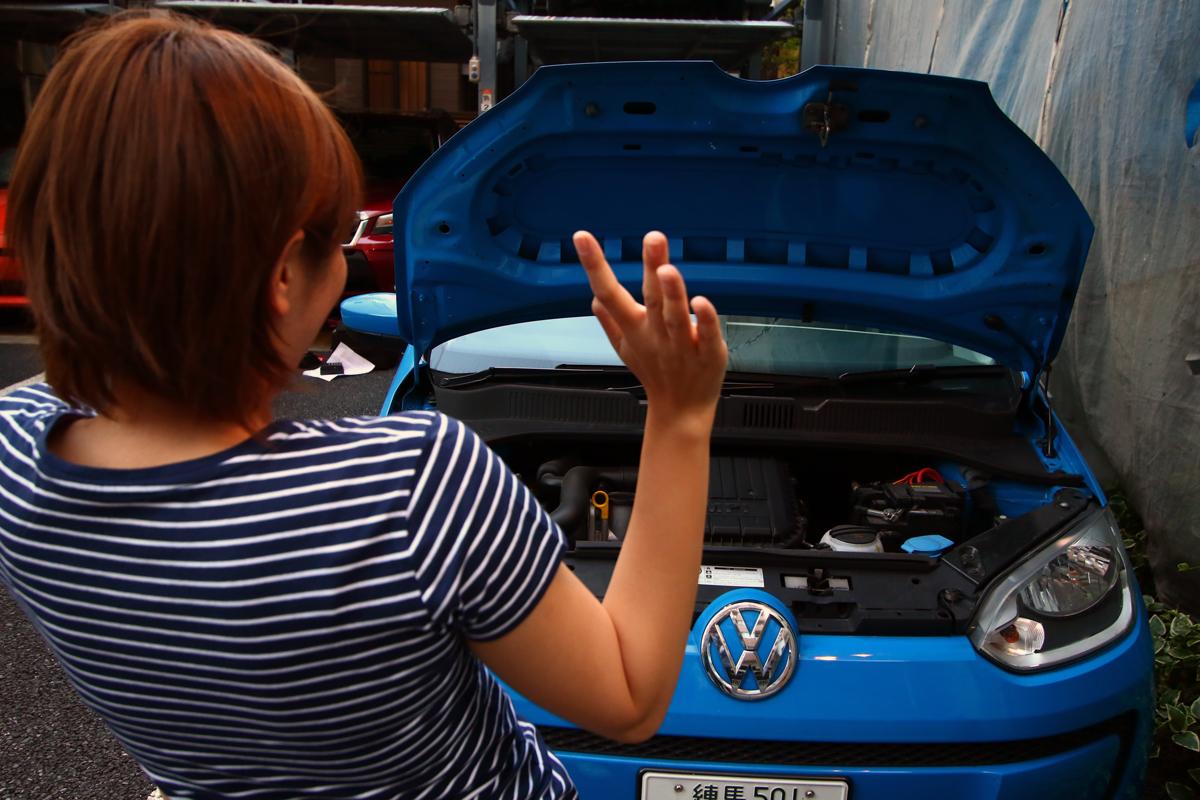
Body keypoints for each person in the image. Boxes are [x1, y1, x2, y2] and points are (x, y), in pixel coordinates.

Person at [0, 11, 727, 800]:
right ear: (282, 277)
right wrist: (680, 413)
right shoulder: (409, 490)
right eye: (337, 234)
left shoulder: (13, 454)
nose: (348, 261)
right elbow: (626, 696)